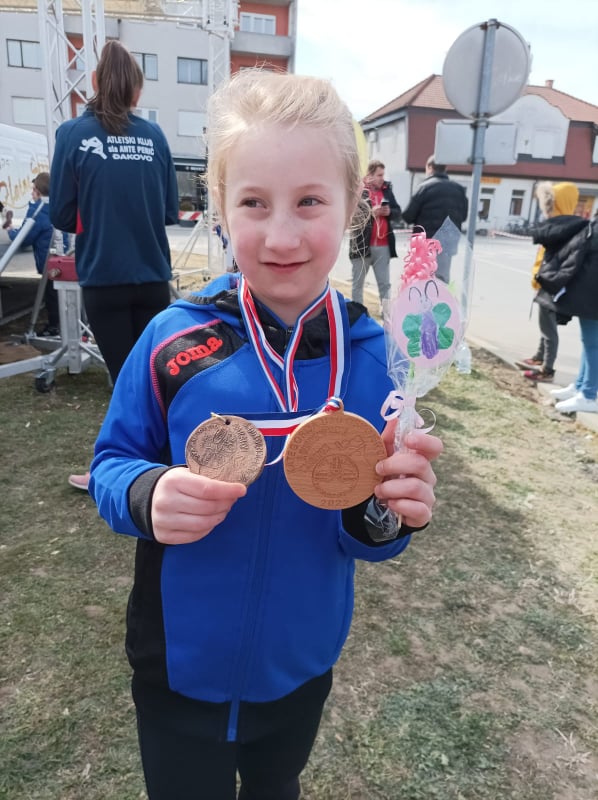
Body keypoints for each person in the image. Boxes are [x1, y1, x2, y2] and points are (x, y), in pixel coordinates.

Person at [89, 70, 443, 800]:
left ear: (352, 206)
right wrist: (148, 492)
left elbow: (369, 535)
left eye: (310, 201)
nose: (281, 235)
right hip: (177, 664)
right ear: (220, 206)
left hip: (300, 666)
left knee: (278, 788)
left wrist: (390, 511)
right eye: (254, 202)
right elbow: (111, 464)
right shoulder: (170, 341)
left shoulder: (380, 360)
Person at [49, 40, 179, 491]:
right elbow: (169, 211)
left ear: (95, 83)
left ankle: (118, 475)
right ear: (137, 91)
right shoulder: (154, 136)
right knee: (159, 380)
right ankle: (163, 465)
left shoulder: (72, 134)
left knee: (127, 385)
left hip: (104, 277)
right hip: (152, 276)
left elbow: (61, 214)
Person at [532, 209, 598, 413]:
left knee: (593, 345)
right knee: (589, 342)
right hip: (590, 295)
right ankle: (580, 387)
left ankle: (589, 395)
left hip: (593, 296)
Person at [515, 181, 580, 384]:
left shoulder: (563, 228)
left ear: (558, 202)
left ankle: (547, 369)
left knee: (548, 329)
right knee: (546, 326)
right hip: (548, 282)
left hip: (551, 285)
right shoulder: (566, 226)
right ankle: (539, 357)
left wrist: (543, 279)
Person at [5, 172, 60, 336]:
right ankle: (68, 325)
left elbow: (25, 238)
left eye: (33, 189)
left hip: (48, 262)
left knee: (51, 296)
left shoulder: (37, 211)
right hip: (62, 258)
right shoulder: (58, 205)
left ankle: (55, 327)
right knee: (61, 293)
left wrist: (10, 231)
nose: (31, 193)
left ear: (38, 191)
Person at [401, 155, 468, 283]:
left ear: (430, 167)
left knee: (422, 280)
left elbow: (408, 216)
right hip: (448, 245)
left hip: (425, 244)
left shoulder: (424, 187)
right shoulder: (459, 190)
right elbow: (463, 216)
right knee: (441, 280)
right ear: (445, 168)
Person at [349, 159, 401, 309]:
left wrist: (390, 212)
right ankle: (358, 317)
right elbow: (351, 215)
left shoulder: (387, 191)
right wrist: (371, 213)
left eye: (383, 175)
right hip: (361, 246)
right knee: (357, 285)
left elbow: (398, 212)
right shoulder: (359, 190)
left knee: (385, 286)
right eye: (379, 175)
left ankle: (388, 318)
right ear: (370, 175)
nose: (382, 178)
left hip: (383, 247)